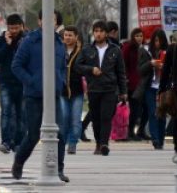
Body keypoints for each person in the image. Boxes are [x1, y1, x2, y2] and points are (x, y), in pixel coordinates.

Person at [11, 10, 69, 183]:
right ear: (39, 21)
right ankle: (19, 161)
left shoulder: (59, 42)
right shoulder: (30, 41)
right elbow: (17, 66)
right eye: (46, 19)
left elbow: (62, 67)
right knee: (33, 134)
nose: (49, 22)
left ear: (57, 23)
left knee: (60, 132)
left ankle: (57, 169)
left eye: (53, 20)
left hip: (54, 95)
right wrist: (32, 82)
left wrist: (61, 82)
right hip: (34, 95)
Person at [74, 20, 127, 156]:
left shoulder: (115, 50)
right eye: (96, 31)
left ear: (106, 33)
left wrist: (123, 92)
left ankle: (104, 144)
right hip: (93, 89)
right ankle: (98, 143)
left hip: (110, 89)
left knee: (106, 117)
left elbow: (121, 72)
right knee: (96, 118)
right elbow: (77, 66)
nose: (98, 34)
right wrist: (91, 70)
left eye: (101, 31)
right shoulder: (87, 49)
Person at [0, 14, 27, 154]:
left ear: (21, 26)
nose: (14, 31)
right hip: (6, 82)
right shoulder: (1, 39)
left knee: (22, 114)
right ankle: (6, 142)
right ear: (7, 27)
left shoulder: (26, 40)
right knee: (6, 112)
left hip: (22, 82)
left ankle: (18, 143)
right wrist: (7, 45)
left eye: (16, 28)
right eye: (11, 28)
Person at [135, 28, 168, 150]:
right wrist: (151, 64)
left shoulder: (167, 52)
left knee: (162, 113)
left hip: (163, 87)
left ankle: (161, 138)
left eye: (160, 41)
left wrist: (165, 66)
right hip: (150, 86)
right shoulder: (145, 51)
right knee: (153, 112)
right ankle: (155, 139)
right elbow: (140, 70)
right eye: (155, 41)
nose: (157, 44)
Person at [59, 25, 84, 155]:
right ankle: (62, 143)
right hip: (62, 91)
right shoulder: (59, 50)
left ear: (76, 37)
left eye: (70, 35)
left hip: (77, 91)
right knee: (63, 118)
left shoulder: (82, 51)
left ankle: (73, 143)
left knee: (75, 119)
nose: (67, 38)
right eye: (66, 35)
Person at [121, 28, 147, 141]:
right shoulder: (128, 48)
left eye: (141, 36)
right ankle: (130, 132)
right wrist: (125, 78)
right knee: (134, 109)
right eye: (137, 36)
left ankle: (139, 130)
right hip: (131, 83)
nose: (139, 38)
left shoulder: (144, 48)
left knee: (143, 108)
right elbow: (122, 64)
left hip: (142, 83)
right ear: (133, 37)